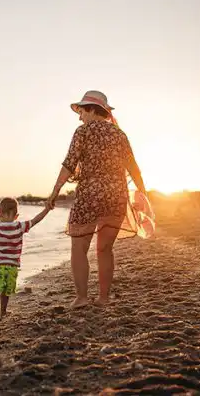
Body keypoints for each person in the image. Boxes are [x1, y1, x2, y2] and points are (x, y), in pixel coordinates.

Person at [46, 91, 147, 309]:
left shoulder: (82, 132)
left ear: (92, 110)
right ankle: (103, 299)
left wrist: (55, 191)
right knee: (105, 249)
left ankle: (82, 298)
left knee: (79, 248)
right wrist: (143, 193)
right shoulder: (120, 135)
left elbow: (69, 165)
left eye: (81, 111)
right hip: (116, 196)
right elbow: (133, 167)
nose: (79, 116)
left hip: (89, 196)